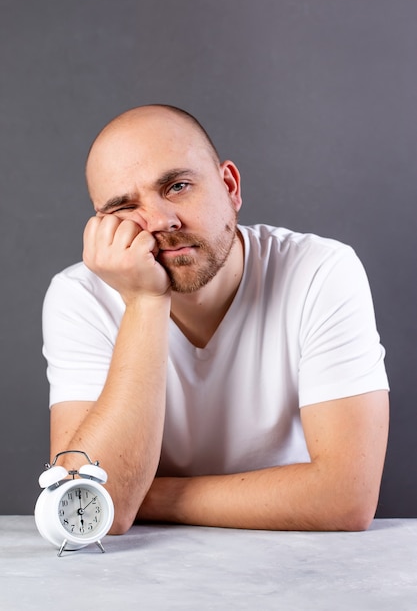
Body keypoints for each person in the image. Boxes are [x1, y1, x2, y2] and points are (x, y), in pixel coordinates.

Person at [42, 104, 389, 534]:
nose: (160, 222)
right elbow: (81, 511)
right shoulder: (79, 296)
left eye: (177, 186)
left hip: (295, 569)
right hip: (138, 579)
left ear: (230, 186)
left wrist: (140, 494)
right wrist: (145, 301)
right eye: (124, 208)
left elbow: (346, 499)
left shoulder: (320, 271)